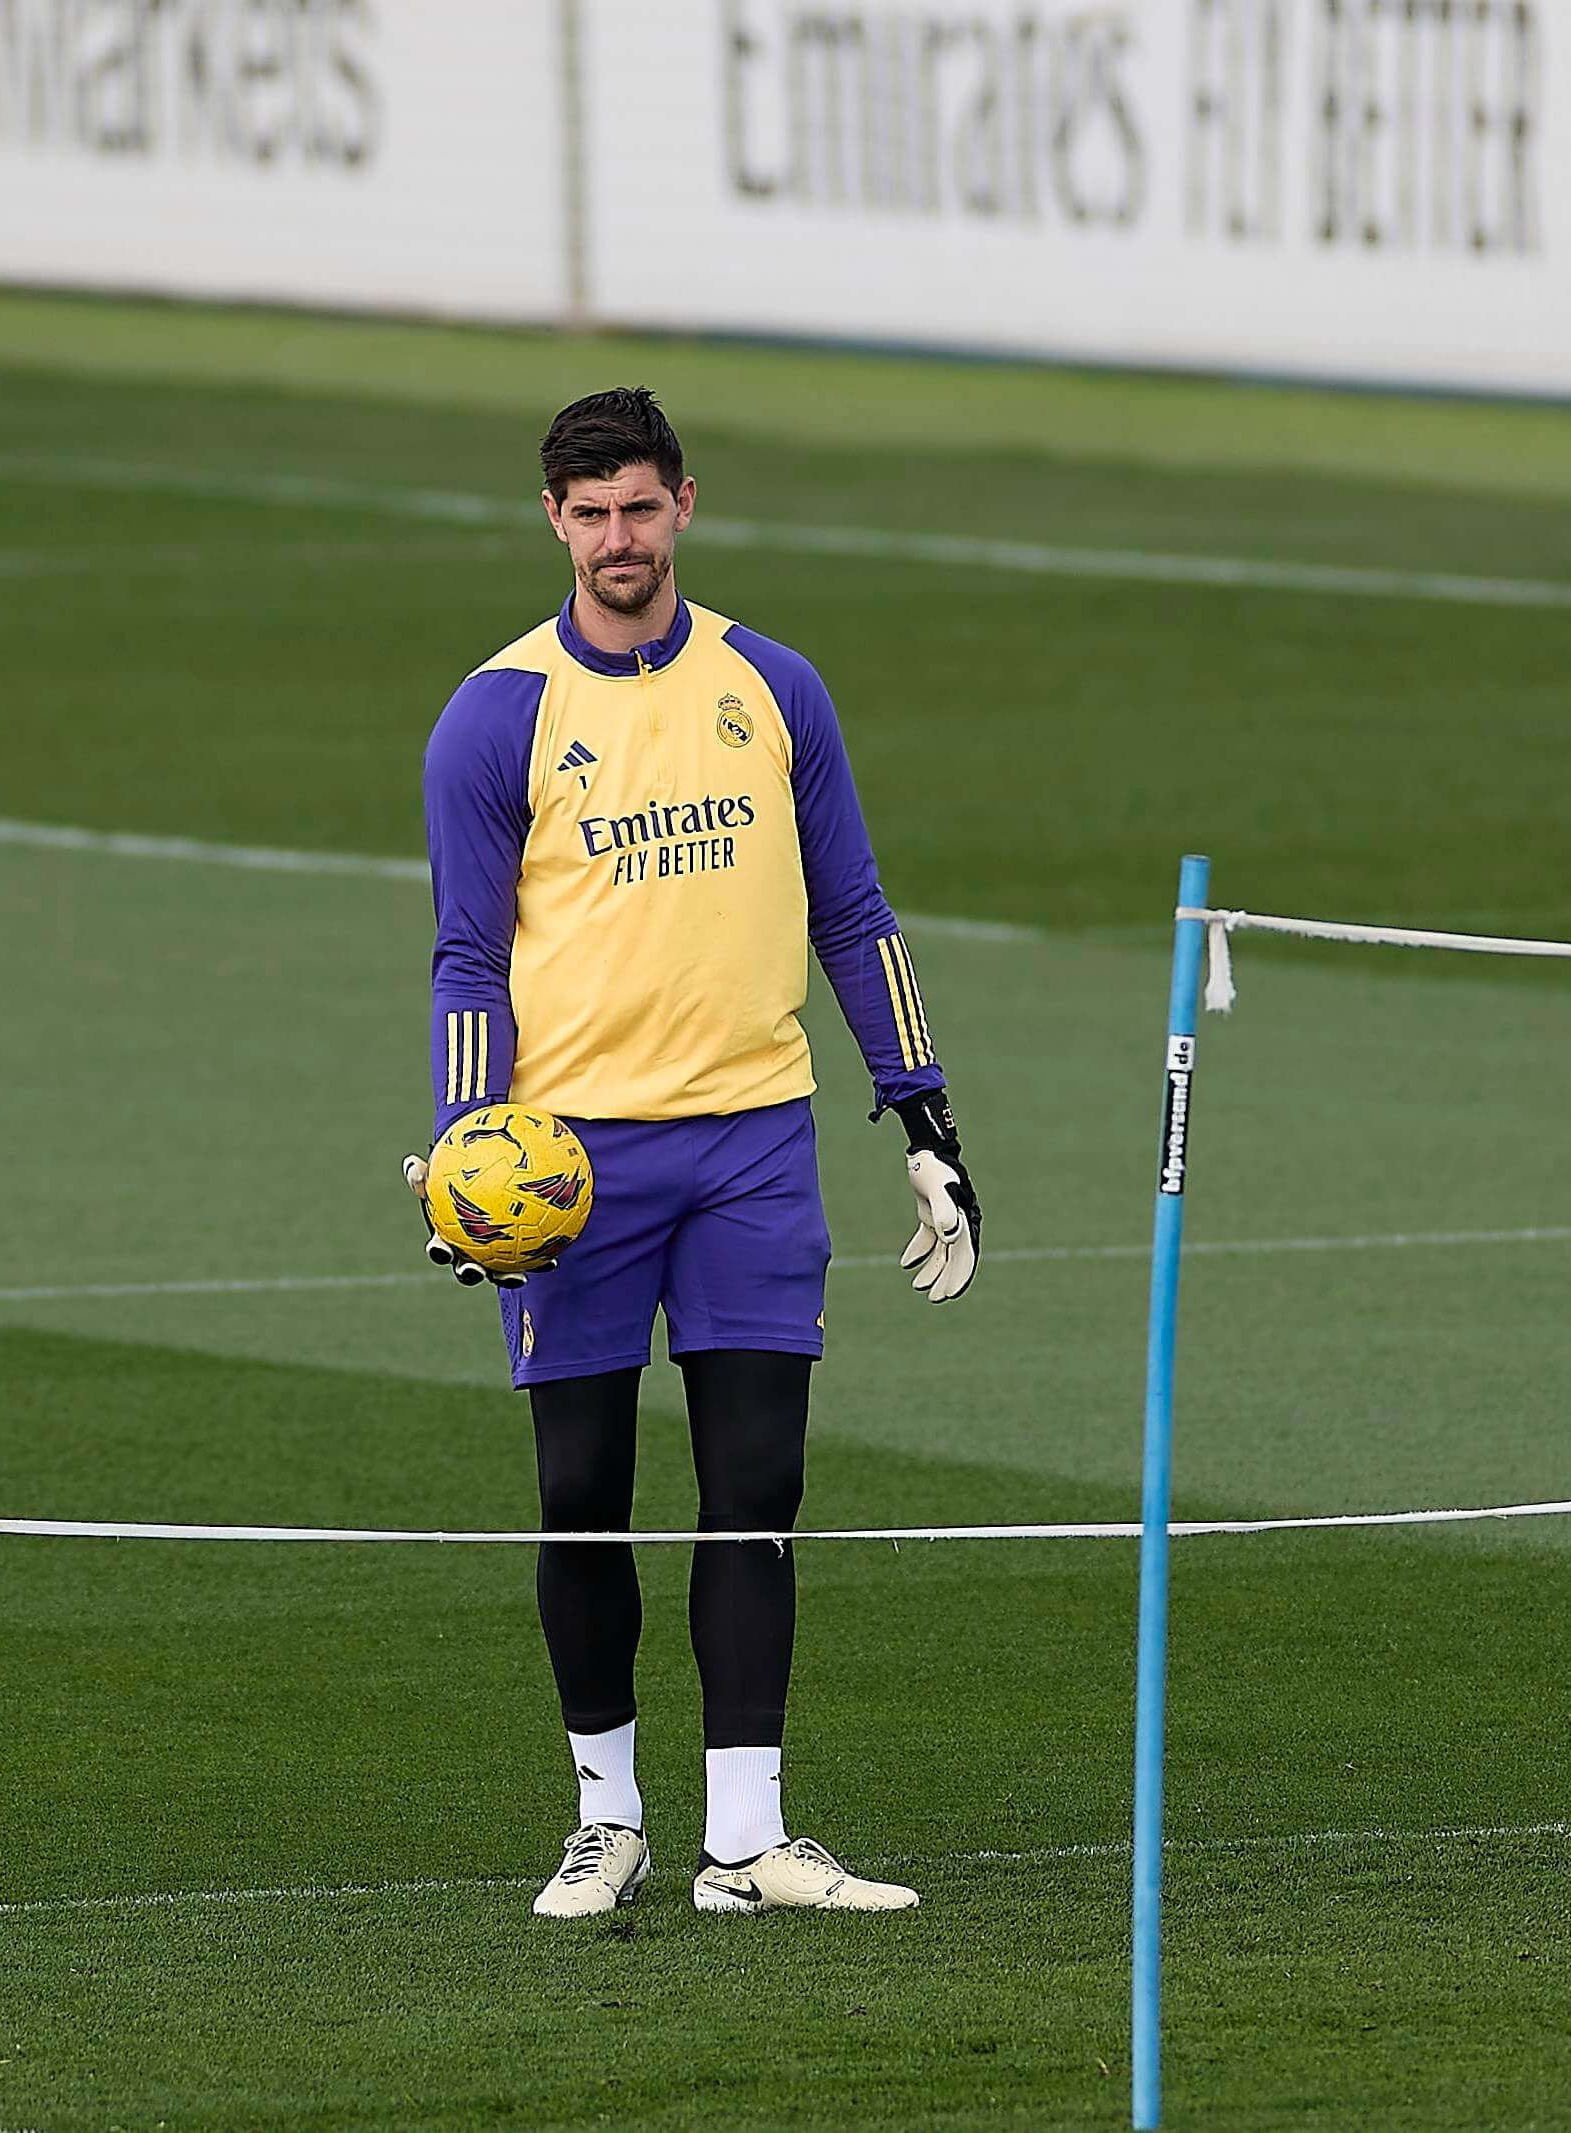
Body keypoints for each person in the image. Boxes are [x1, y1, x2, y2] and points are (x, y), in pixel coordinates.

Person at [409, 389, 981, 1918]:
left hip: (752, 1146)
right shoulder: (497, 715)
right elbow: (470, 958)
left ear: (686, 505)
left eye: (641, 508)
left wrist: (922, 1117)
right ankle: (608, 1818)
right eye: (590, 514)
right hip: (573, 1171)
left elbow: (855, 916)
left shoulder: (773, 686)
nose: (618, 539)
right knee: (582, 1489)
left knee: (757, 1486)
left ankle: (747, 1841)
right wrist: (469, 1152)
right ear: (553, 522)